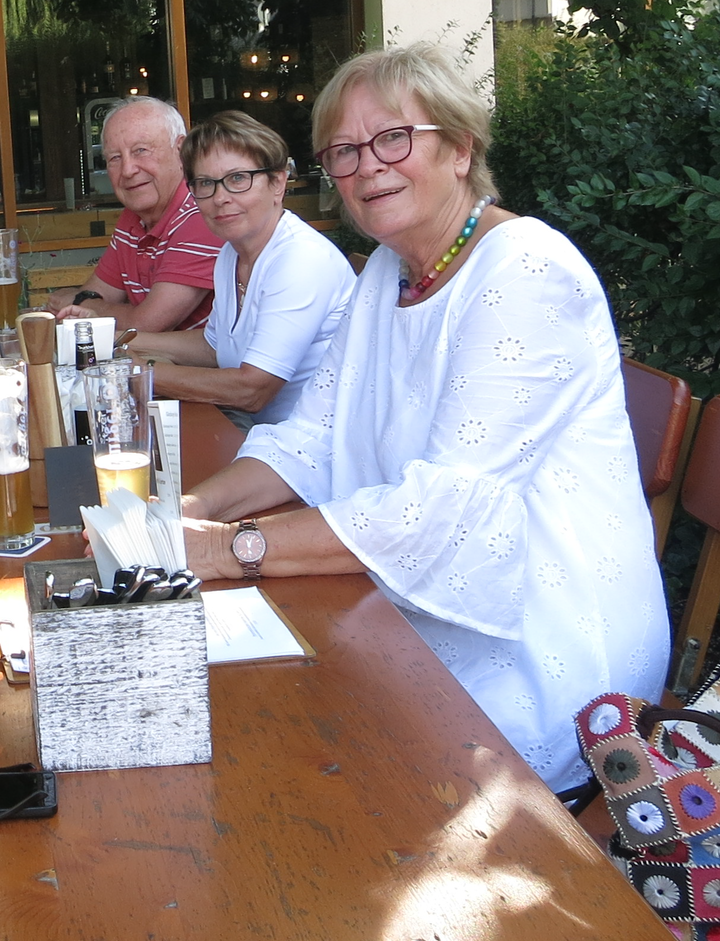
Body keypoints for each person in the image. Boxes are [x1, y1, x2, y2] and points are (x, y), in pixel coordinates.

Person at [175, 43, 668, 794]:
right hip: (407, 607)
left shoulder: (526, 271)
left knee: (270, 752)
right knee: (233, 716)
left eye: (394, 138)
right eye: (343, 151)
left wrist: (225, 549)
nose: (368, 166)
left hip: (548, 657)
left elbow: (439, 511)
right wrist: (187, 510)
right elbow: (309, 434)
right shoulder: (387, 271)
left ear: (462, 148)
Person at [128, 111, 355, 427]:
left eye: (238, 179)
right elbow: (213, 348)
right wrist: (121, 341)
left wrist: (137, 372)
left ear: (278, 183)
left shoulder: (300, 259)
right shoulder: (231, 255)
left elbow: (252, 390)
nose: (221, 198)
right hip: (255, 432)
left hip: (311, 448)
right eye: (206, 183)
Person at [48, 96, 222, 333]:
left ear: (181, 151)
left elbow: (146, 324)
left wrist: (82, 303)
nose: (128, 170)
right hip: (151, 364)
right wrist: (86, 304)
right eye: (115, 158)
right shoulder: (134, 216)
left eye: (141, 151)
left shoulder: (202, 214)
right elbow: (98, 293)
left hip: (205, 368)